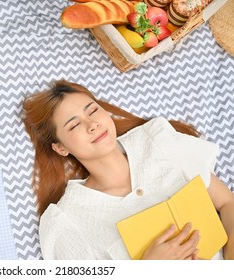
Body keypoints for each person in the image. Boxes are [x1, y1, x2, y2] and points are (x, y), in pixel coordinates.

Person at [22, 79, 234, 260]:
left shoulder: (157, 141)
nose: (92, 124)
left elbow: (227, 203)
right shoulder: (66, 222)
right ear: (61, 147)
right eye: (74, 125)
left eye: (93, 110)